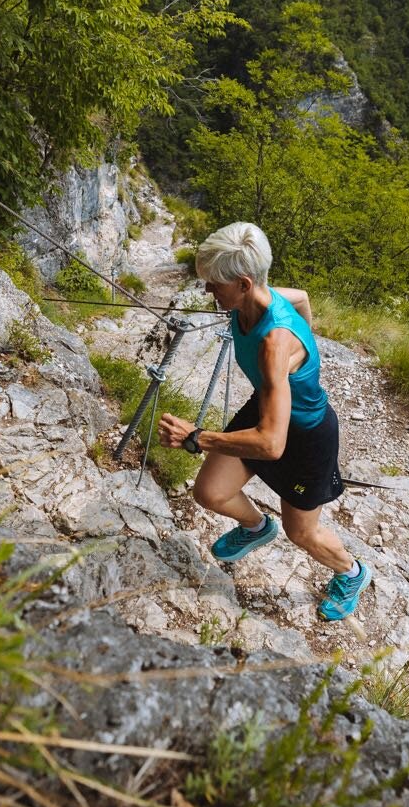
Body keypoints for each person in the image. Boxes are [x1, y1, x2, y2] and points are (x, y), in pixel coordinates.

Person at [157, 221, 371, 622]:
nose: (208, 291)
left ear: (242, 282)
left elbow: (272, 445)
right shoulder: (263, 300)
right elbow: (303, 299)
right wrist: (303, 349)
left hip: (306, 436)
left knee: (302, 532)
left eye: (214, 283)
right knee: (211, 492)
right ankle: (256, 528)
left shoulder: (274, 341)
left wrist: (197, 437)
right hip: (267, 411)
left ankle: (353, 573)